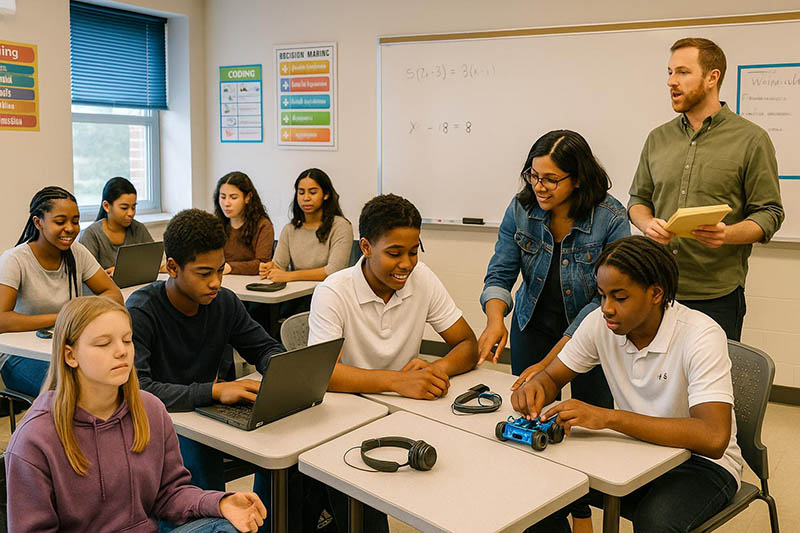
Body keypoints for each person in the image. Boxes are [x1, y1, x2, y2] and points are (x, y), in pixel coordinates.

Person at [512, 236, 743, 532]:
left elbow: (713, 438)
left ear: (656, 293)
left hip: (701, 465)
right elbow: (552, 376)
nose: (607, 308)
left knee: (656, 523)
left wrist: (607, 418)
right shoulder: (600, 323)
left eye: (620, 298)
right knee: (539, 493)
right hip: (633, 451)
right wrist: (536, 389)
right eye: (602, 295)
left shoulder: (700, 335)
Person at [5, 296, 267, 532]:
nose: (121, 351)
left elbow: (170, 494)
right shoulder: (35, 438)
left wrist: (220, 502)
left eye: (127, 340)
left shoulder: (150, 409)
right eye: (103, 344)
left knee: (226, 528)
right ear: (70, 356)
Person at [478, 130, 629, 532]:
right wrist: (496, 319)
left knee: (583, 425)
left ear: (577, 178)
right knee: (531, 416)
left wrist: (549, 366)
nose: (539, 187)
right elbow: (501, 270)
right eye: (533, 175)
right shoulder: (522, 208)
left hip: (593, 335)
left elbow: (603, 303)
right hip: (533, 324)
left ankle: (584, 508)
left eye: (550, 179)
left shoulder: (611, 218)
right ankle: (545, 511)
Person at [628, 37, 784, 341]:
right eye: (670, 72)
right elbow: (638, 199)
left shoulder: (751, 139)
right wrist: (646, 223)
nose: (672, 82)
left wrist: (727, 234)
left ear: (712, 78)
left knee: (710, 388)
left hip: (717, 296)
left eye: (683, 72)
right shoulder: (657, 138)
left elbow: (769, 213)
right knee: (656, 385)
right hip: (657, 289)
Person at [308, 193, 479, 400]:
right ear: (366, 247)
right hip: (351, 402)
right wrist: (397, 381)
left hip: (409, 401)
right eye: (394, 254)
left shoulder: (422, 277)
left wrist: (434, 369)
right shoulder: (333, 292)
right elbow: (323, 373)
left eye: (414, 252)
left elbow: (468, 344)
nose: (407, 264)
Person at [0, 186, 122, 397]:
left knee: (115, 375)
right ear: (38, 222)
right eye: (60, 222)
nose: (70, 228)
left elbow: (113, 294)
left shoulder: (77, 252)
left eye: (75, 221)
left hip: (66, 348)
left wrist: (79, 314)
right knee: (76, 389)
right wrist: (63, 317)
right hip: (19, 357)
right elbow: (2, 320)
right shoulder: (15, 260)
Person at [260, 168, 353, 317]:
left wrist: (289, 276)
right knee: (257, 311)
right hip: (296, 296)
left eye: (313, 192)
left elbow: (333, 271)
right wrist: (269, 268)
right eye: (301, 192)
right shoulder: (290, 229)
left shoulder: (341, 226)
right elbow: (279, 265)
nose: (306, 198)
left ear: (326, 195)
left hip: (329, 296)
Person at [79, 176, 157, 276]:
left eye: (133, 207)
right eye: (124, 208)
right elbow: (86, 275)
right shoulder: (91, 234)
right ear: (106, 206)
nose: (131, 213)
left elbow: (153, 263)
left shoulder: (138, 229)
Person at [213, 171, 274, 276]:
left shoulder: (263, 225)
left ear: (247, 197)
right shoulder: (216, 224)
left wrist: (230, 267)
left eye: (233, 197)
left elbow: (262, 265)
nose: (226, 203)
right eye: (223, 197)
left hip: (249, 284)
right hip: (220, 281)